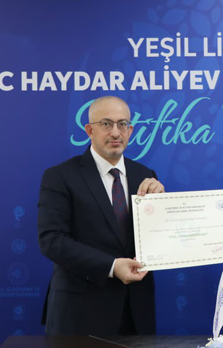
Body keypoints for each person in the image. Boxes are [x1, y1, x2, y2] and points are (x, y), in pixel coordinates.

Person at [38, 96, 165, 335]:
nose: (116, 132)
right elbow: (51, 241)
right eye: (106, 124)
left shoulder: (146, 175)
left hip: (136, 313)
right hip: (79, 315)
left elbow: (157, 241)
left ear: (130, 130)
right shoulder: (60, 176)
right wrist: (112, 266)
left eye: (122, 124)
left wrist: (162, 207)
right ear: (90, 130)